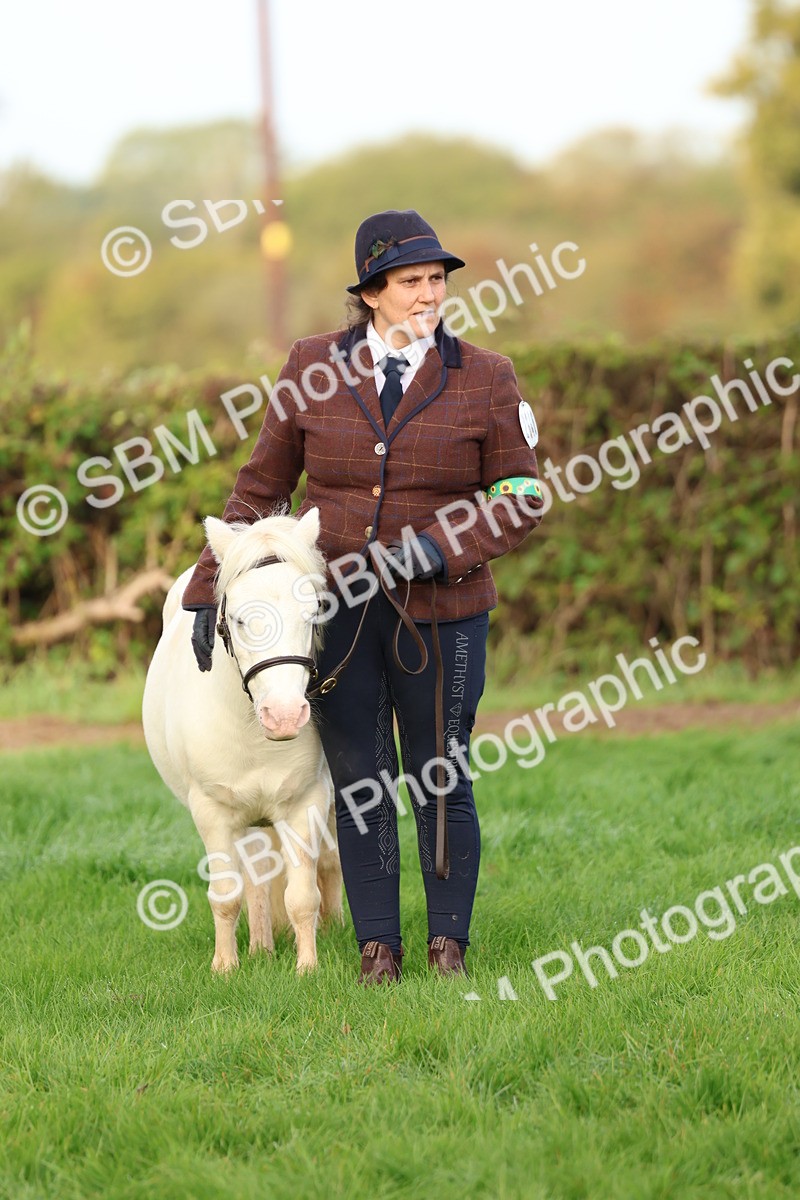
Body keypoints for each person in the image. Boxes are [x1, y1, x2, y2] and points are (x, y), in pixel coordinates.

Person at [182, 209, 544, 985]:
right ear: (371, 293)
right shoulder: (312, 365)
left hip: (444, 615)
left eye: (436, 280)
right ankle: (378, 944)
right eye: (410, 282)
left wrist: (435, 550)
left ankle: (449, 941)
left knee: (440, 771)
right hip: (336, 617)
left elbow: (519, 497)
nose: (427, 294)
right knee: (359, 777)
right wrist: (208, 591)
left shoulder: (487, 376)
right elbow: (262, 485)